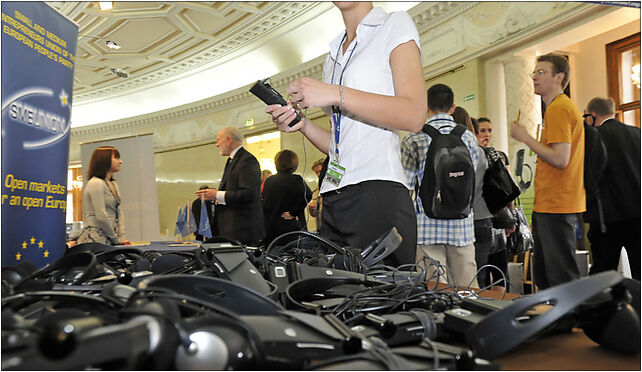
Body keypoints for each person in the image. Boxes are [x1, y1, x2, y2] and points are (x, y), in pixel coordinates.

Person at [265, 2, 426, 267]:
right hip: (333, 197)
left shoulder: (393, 24)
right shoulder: (334, 54)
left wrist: (334, 93)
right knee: (337, 301)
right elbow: (339, 145)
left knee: (381, 302)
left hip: (377, 191)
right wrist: (302, 124)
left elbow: (414, 114)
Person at [510, 53, 585, 290]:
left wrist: (526, 138)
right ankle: (555, 323)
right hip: (550, 204)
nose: (534, 77)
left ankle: (568, 325)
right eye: (534, 73)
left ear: (559, 77)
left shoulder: (560, 108)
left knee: (560, 277)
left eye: (541, 72)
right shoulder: (554, 108)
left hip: (558, 204)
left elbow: (560, 159)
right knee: (546, 276)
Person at [401, 84, 479, 287]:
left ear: (427, 106)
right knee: (467, 291)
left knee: (435, 293)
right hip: (462, 227)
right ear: (453, 108)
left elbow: (407, 187)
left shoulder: (414, 137)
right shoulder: (469, 138)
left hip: (427, 225)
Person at [584, 97, 640, 280]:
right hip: (638, 215)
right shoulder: (636, 133)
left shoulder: (594, 136)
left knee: (602, 274)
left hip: (607, 217)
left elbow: (590, 175)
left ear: (592, 115)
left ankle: (604, 308)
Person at [196, 126, 265, 245]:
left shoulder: (247, 160)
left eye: (218, 140)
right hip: (231, 231)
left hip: (243, 232)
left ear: (228, 140)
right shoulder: (232, 160)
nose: (217, 144)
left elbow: (249, 194)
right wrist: (215, 196)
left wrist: (217, 195)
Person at [472, 116, 514, 288]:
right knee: (480, 270)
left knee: (499, 270)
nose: (487, 134)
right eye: (482, 130)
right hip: (480, 218)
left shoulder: (500, 155)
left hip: (498, 220)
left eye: (489, 130)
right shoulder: (472, 155)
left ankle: (500, 306)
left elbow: (509, 187)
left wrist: (510, 218)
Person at [77, 146, 129, 245]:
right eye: (116, 158)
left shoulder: (113, 184)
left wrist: (122, 237)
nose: (120, 161)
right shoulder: (96, 183)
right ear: (104, 160)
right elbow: (100, 216)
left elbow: (119, 211)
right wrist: (115, 239)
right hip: (95, 238)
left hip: (111, 237)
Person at [262, 150, 313, 245]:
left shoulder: (269, 181)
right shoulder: (297, 179)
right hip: (292, 228)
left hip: (272, 228)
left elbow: (265, 203)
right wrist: (293, 213)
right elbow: (308, 195)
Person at [307, 157, 327, 231]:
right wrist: (312, 209)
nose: (318, 175)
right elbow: (314, 214)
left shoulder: (334, 187)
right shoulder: (317, 189)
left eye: (320, 171)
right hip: (320, 228)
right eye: (316, 172)